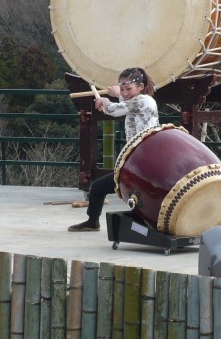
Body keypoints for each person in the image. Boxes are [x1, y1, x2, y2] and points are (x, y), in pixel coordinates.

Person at [68, 67, 159, 232]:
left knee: (137, 196)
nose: (125, 92)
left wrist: (107, 101)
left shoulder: (146, 101)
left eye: (128, 89)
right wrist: (109, 100)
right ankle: (92, 222)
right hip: (136, 161)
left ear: (141, 87)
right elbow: (120, 107)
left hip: (146, 162)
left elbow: (113, 110)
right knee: (97, 188)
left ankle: (147, 226)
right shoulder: (134, 103)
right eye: (122, 89)